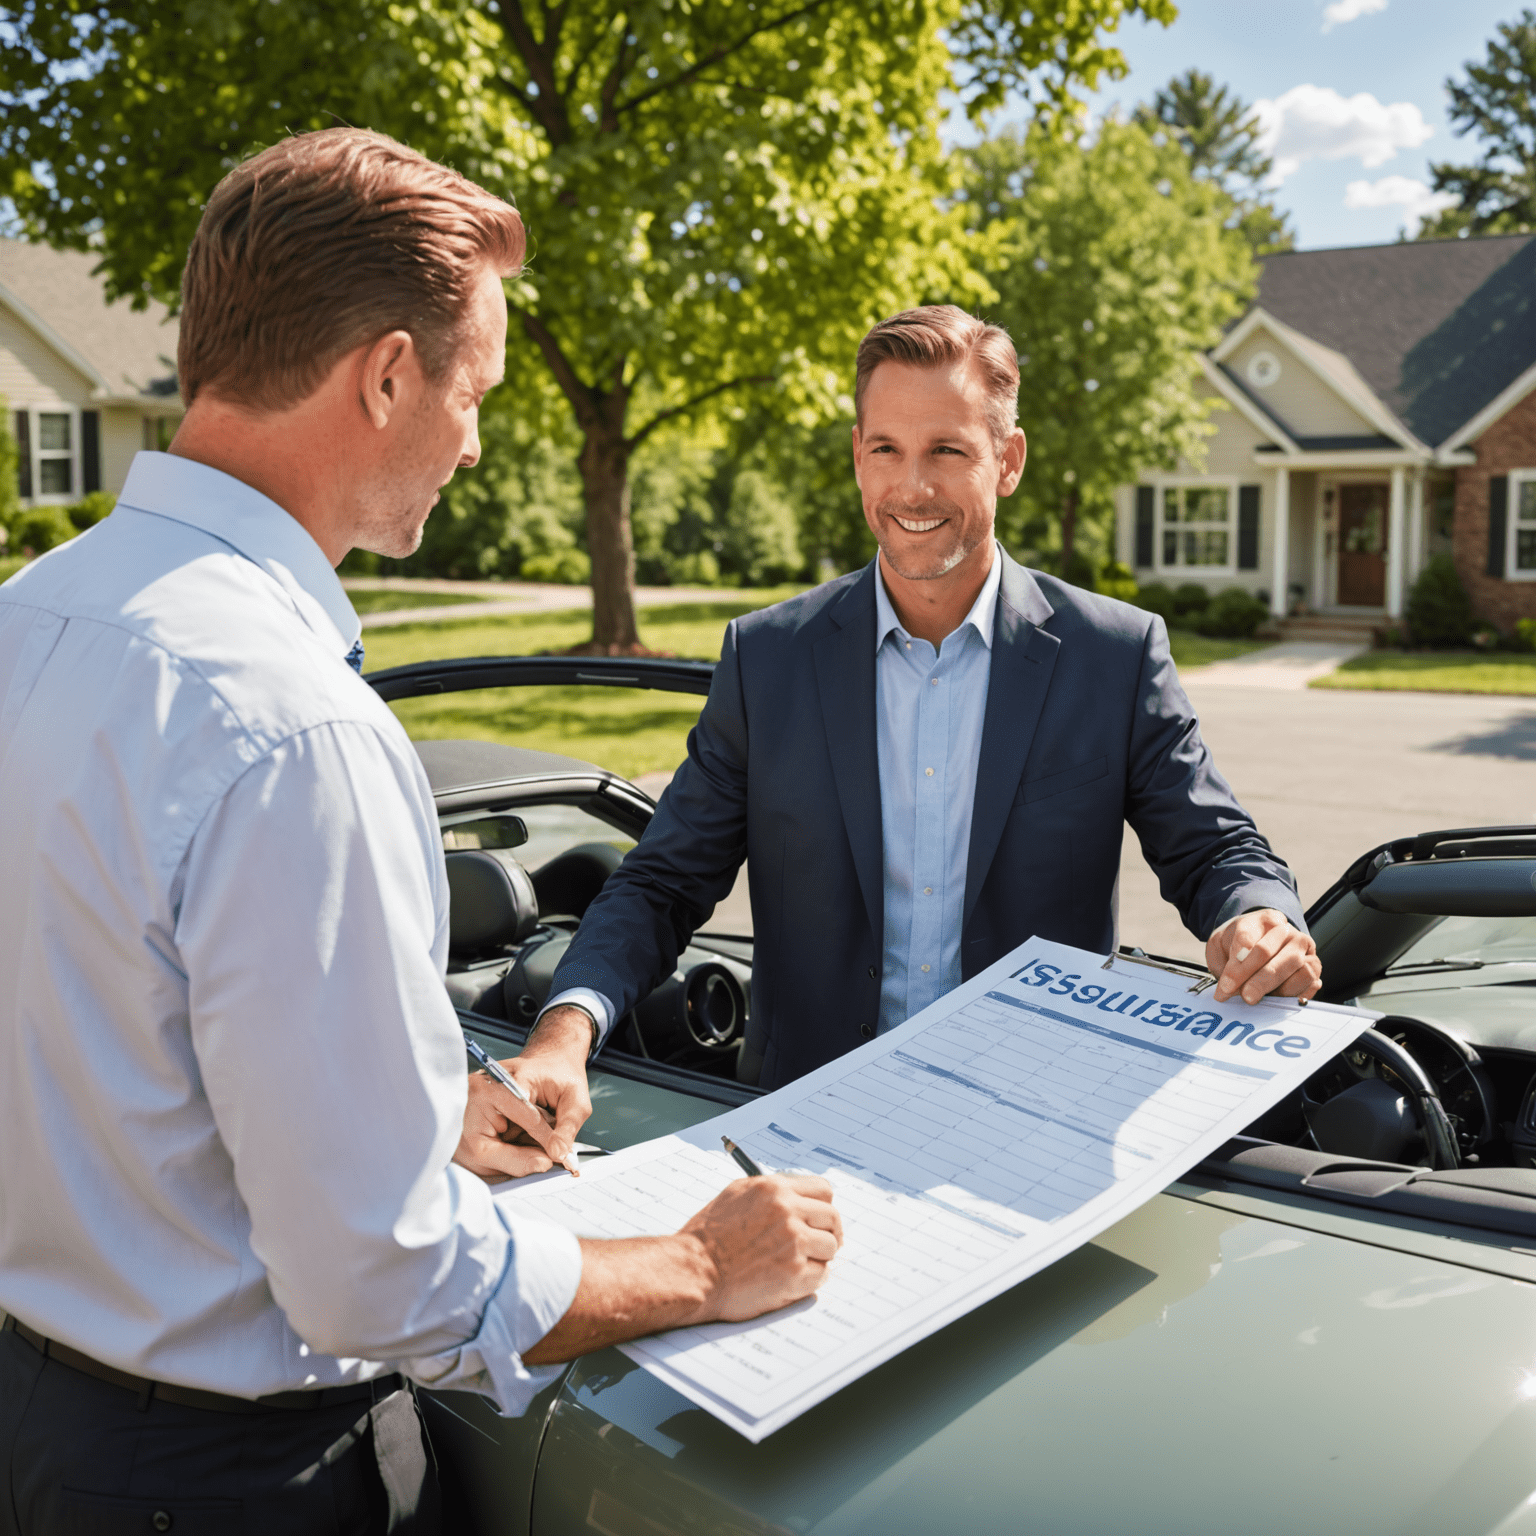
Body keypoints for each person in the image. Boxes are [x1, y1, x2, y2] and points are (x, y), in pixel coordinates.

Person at [0, 128, 840, 1534]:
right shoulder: (296, 729)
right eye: (473, 388)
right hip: (240, 1486)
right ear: (388, 374)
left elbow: (82, 1018)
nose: (473, 435)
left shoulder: (32, 619)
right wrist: (700, 1268)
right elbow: (382, 1284)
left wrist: (390, 1106)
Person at [531, 305, 1322, 1094]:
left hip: (1035, 1115)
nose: (913, 486)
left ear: (1007, 461)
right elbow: (662, 883)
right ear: (857, 456)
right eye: (887, 449)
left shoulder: (1112, 655)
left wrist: (1259, 919)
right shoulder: (766, 658)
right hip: (806, 1116)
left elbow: (1216, 849)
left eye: (948, 450)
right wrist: (567, 1030)